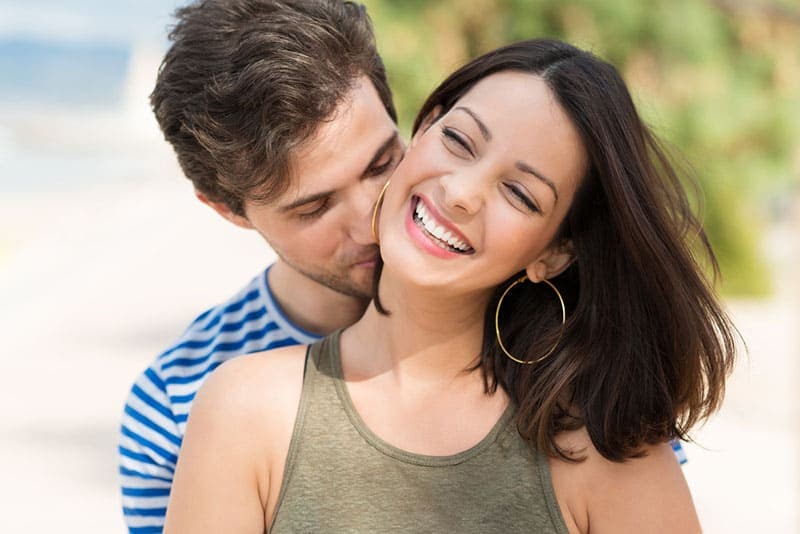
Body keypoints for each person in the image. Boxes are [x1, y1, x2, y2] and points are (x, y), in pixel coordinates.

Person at [164, 38, 736, 532]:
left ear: (555, 253)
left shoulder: (605, 448)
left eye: (521, 194)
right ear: (425, 126)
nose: (462, 192)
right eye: (460, 142)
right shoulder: (239, 409)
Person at [117, 0, 403, 531]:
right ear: (227, 210)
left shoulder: (525, 313)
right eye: (315, 207)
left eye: (382, 163)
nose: (371, 224)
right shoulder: (176, 404)